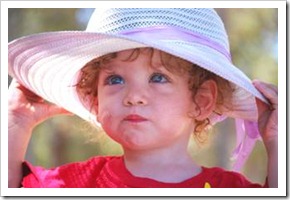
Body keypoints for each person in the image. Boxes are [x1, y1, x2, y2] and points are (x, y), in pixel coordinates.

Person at [8, 8, 278, 188]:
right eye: (115, 80)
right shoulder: (76, 183)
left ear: (202, 100)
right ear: (95, 97)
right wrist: (16, 123)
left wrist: (278, 143)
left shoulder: (229, 190)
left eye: (158, 78)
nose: (134, 97)